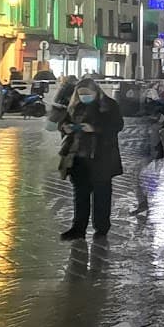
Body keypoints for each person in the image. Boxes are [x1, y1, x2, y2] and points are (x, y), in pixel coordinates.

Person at [57, 78, 123, 240]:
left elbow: (117, 126)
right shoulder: (75, 106)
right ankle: (78, 228)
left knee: (102, 194)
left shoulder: (108, 106)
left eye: (87, 94)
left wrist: (95, 129)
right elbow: (64, 122)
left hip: (101, 157)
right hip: (78, 156)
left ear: (96, 92)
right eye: (80, 94)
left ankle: (101, 227)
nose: (84, 97)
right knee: (80, 194)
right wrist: (65, 128)